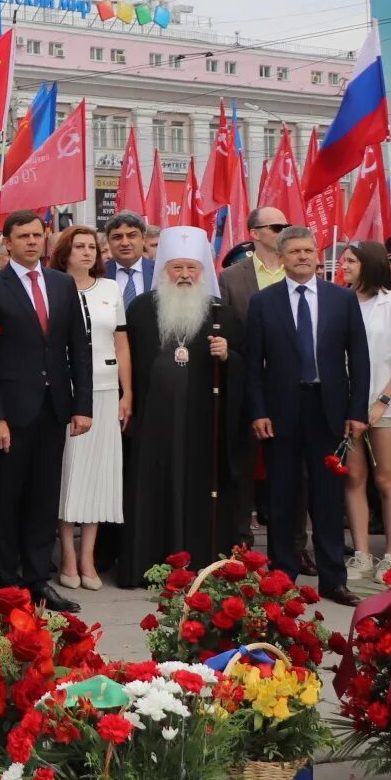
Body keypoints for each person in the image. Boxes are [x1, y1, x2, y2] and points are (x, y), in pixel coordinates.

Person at [0, 211, 93, 612]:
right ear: (7, 242)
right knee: (6, 497)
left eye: (37, 235)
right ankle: (9, 580)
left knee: (44, 497)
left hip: (53, 408)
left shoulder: (61, 284)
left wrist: (82, 407)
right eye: (22, 236)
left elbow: (79, 348)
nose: (31, 242)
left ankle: (39, 579)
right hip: (10, 412)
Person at [243, 226, 370, 604]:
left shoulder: (341, 300)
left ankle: (333, 579)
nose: (303, 256)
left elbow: (359, 358)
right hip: (281, 409)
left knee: (328, 497)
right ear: (281, 257)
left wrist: (357, 411)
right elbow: (253, 365)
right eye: (294, 251)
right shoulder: (264, 302)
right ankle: (282, 579)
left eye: (309, 250)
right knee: (282, 496)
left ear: (318, 255)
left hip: (328, 408)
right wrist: (259, 411)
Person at [117, 228, 244, 587]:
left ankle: (199, 565)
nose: (185, 275)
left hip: (202, 423)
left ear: (203, 271)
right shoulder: (141, 309)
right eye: (177, 268)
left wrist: (228, 355)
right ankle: (147, 564)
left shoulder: (222, 313)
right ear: (164, 271)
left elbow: (245, 364)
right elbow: (127, 360)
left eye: (191, 267)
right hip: (153, 423)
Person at [338, 240, 391, 582]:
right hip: (349, 404)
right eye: (344, 261)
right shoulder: (341, 302)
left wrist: (382, 402)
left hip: (388, 404)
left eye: (350, 261)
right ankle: (360, 553)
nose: (343, 267)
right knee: (354, 478)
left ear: (368, 264)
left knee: (386, 478)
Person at [50, 225, 129, 592]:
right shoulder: (53, 286)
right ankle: (66, 553)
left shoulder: (111, 289)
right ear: (64, 252)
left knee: (100, 476)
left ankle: (88, 556)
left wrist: (127, 393)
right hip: (67, 394)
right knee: (70, 474)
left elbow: (121, 344)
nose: (86, 253)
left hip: (105, 389)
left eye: (92, 247)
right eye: (78, 247)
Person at [102, 211, 155, 305]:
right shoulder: (97, 274)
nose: (125, 243)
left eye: (132, 236)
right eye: (117, 237)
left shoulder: (159, 272)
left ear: (143, 239)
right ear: (109, 241)